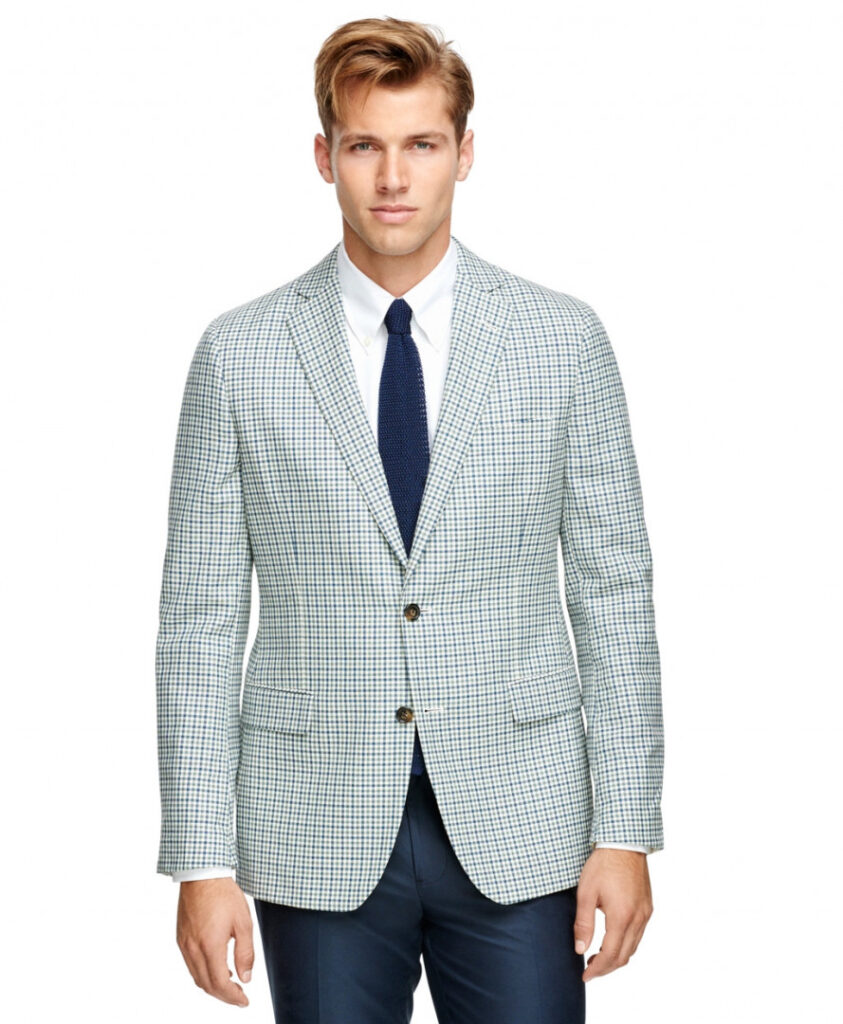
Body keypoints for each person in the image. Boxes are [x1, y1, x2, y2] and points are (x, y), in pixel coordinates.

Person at [155, 15, 664, 1023]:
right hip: (316, 823)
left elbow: (614, 593)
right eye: (365, 146)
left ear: (464, 153)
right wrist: (201, 859)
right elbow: (199, 620)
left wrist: (626, 827)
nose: (393, 177)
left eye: (421, 144)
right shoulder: (239, 354)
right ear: (324, 157)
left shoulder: (562, 341)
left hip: (522, 819)